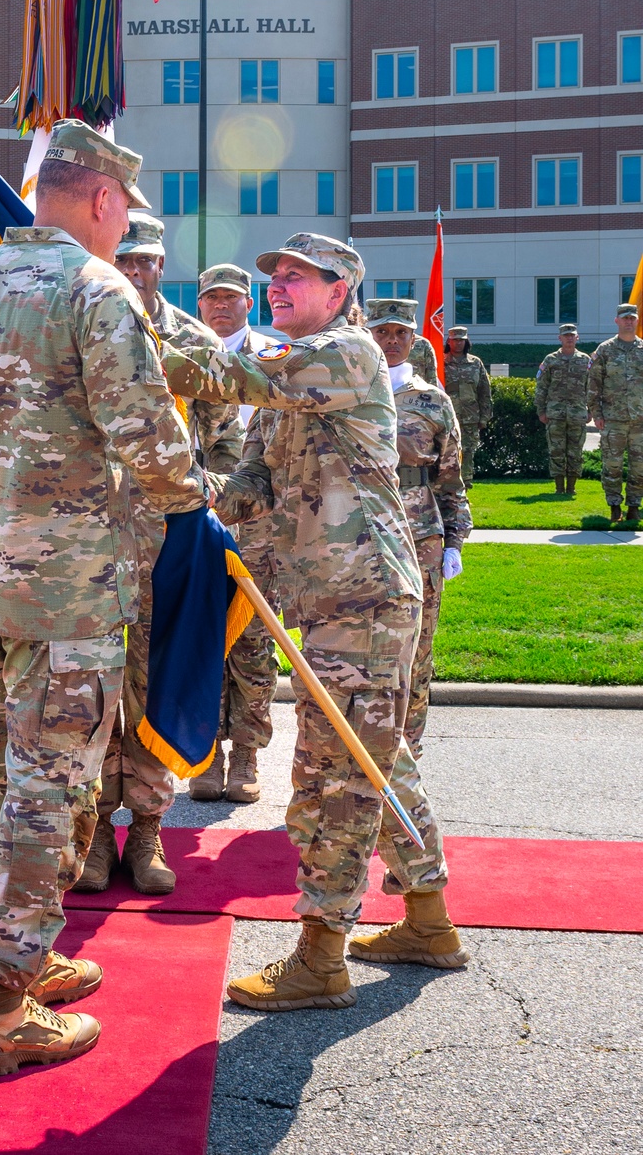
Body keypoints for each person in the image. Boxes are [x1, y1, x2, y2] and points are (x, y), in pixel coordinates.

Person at [0, 119, 209, 1076]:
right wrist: (193, 501)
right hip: (68, 591)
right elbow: (148, 434)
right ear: (101, 199)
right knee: (53, 786)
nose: (121, 224)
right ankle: (2, 1012)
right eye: (121, 207)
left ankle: (21, 952)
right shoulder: (97, 290)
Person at [161, 232, 467, 1013]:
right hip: (326, 594)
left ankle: (321, 956)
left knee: (332, 776)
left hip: (362, 594)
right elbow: (257, 474)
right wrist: (202, 508)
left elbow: (231, 372)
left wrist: (135, 321)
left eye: (298, 277)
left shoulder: (345, 353)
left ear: (342, 291)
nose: (279, 286)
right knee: (378, 759)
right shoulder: (291, 374)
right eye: (276, 276)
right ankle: (428, 921)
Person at [77, 218, 243, 892]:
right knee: (87, 688)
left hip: (167, 545)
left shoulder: (193, 343)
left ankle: (146, 831)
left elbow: (229, 444)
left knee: (153, 683)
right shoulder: (76, 331)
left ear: (163, 265)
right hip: (85, 543)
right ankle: (90, 834)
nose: (137, 271)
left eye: (147, 261)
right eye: (125, 259)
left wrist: (211, 497)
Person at [365, 297, 472, 757]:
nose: (390, 341)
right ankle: (361, 743)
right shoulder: (348, 390)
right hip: (356, 533)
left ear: (414, 339)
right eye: (382, 332)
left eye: (400, 334)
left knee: (417, 644)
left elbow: (450, 479)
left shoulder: (432, 400)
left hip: (418, 534)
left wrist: (454, 540)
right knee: (359, 643)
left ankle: (407, 746)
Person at [192, 261, 278, 804]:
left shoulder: (275, 359)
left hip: (260, 525)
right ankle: (206, 753)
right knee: (201, 638)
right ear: (200, 304)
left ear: (250, 303)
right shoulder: (185, 354)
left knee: (253, 640)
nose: (221, 306)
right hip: (195, 519)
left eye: (232, 297)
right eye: (212, 298)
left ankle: (246, 751)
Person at [587, 303, 643, 523]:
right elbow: (593, 384)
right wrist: (596, 413)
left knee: (639, 466)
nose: (629, 321)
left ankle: (634, 506)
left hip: (640, 420)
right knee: (612, 465)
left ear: (637, 320)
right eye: (625, 318)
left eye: (633, 318)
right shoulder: (605, 350)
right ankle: (614, 505)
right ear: (617, 321)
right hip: (613, 419)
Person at [535, 324, 592, 495]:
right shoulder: (550, 360)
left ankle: (572, 488)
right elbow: (541, 387)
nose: (569, 338)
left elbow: (592, 387)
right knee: (556, 451)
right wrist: (541, 411)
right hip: (555, 414)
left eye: (572, 335)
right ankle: (559, 488)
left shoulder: (585, 360)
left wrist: (591, 411)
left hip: (578, 414)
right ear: (559, 338)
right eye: (566, 335)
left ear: (577, 337)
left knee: (576, 452)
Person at [442, 326, 492, 487]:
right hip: (447, 418)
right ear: (448, 342)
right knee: (448, 452)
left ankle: (466, 485)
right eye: (455, 340)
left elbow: (484, 392)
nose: (458, 343)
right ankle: (449, 486)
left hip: (470, 417)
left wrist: (485, 417)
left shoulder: (475, 363)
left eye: (461, 340)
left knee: (468, 452)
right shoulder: (440, 363)